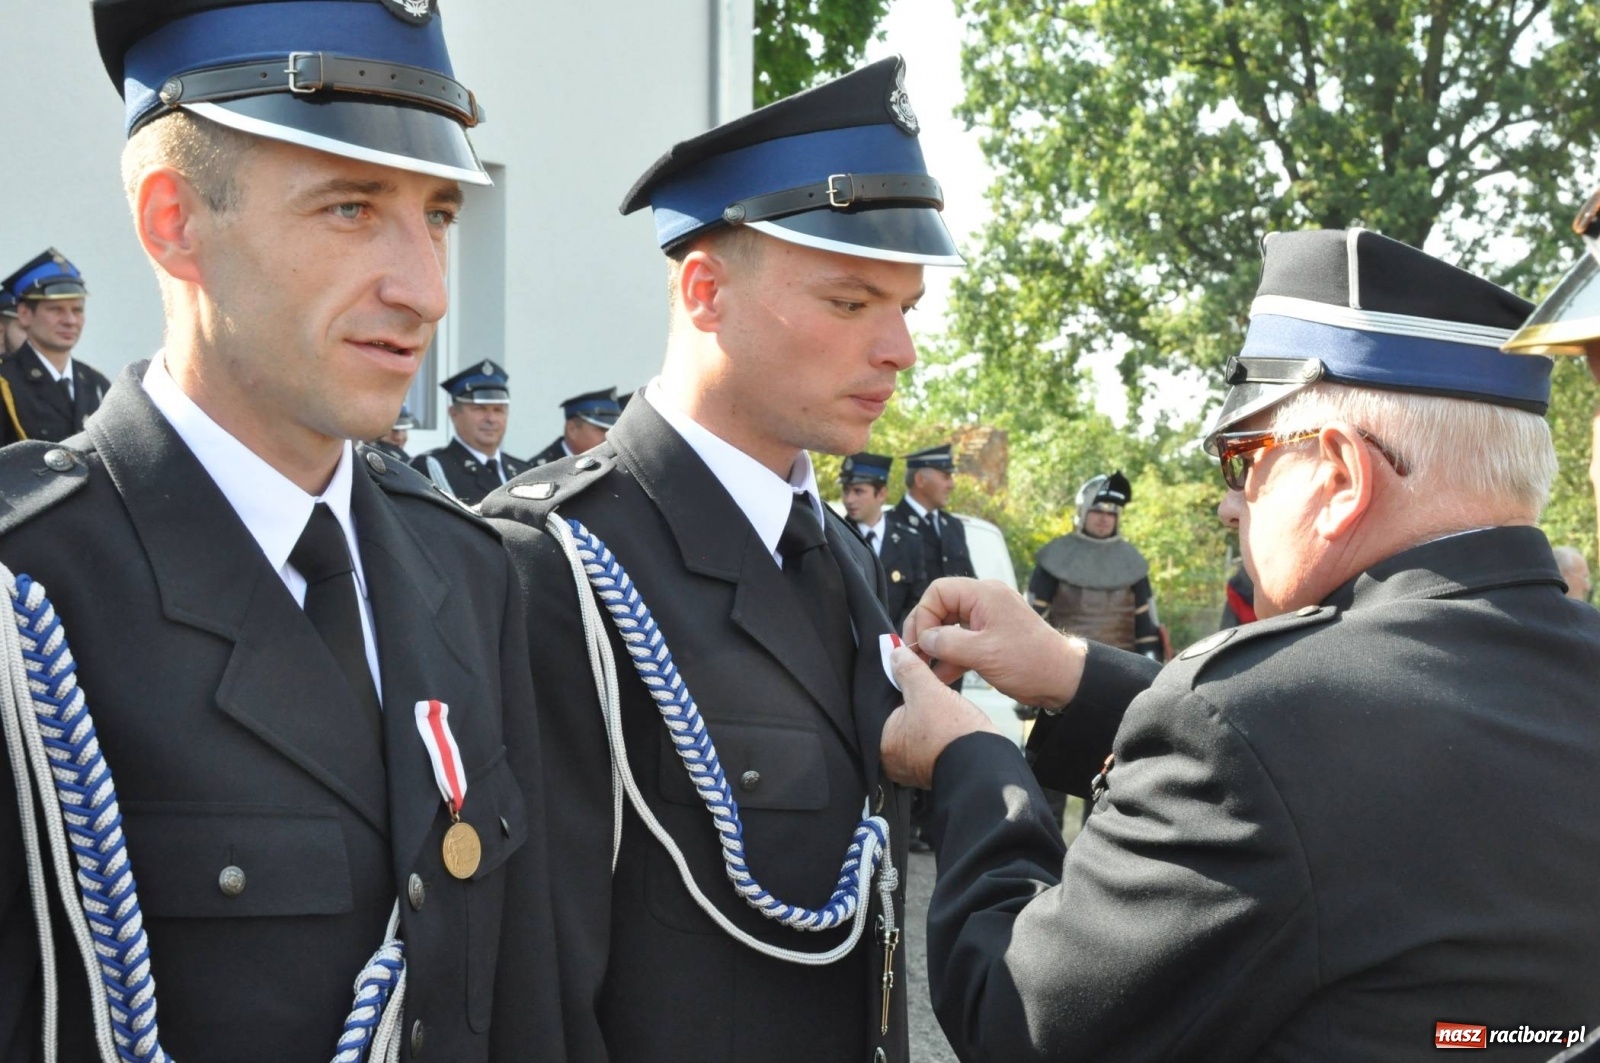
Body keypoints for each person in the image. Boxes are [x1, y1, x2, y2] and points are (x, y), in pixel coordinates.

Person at [879, 228, 1600, 1060]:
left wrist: (974, 759)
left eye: (1242, 459)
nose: (1231, 504)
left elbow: (1018, 1017)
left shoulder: (1254, 724)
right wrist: (1072, 673)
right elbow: (1351, 777)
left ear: (1340, 477)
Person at [0, 2, 563, 1059]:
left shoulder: (467, 568)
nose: (426, 289)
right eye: (351, 207)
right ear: (174, 221)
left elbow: (523, 998)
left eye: (438, 212)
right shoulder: (26, 591)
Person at [480, 55, 961, 1063]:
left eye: (904, 306)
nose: (897, 351)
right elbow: (532, 990)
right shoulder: (551, 557)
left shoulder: (834, 554)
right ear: (704, 291)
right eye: (849, 302)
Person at [1027, 470, 1162, 661]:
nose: (1104, 518)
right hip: (1064, 664)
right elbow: (1033, 620)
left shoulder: (1131, 562)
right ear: (1083, 511)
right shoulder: (1056, 557)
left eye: (1111, 512)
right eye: (1097, 510)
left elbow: (1146, 629)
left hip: (1123, 667)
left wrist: (1151, 667)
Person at [0, 249, 111, 445]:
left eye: (77, 310)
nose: (70, 321)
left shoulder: (96, 384)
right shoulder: (6, 381)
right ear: (25, 314)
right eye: (55, 309)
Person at [411, 360, 531, 505]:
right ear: (454, 413)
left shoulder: (524, 470)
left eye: (498, 410)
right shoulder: (431, 468)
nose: (491, 419)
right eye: (479, 409)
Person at [840, 450, 927, 625]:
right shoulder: (835, 536)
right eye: (846, 490)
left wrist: (895, 641)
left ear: (881, 494)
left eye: (858, 491)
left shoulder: (909, 542)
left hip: (895, 645)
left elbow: (917, 602)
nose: (849, 499)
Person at [893, 443, 975, 584]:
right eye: (946, 476)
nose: (952, 485)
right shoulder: (891, 524)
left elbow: (970, 582)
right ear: (920, 479)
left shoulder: (953, 526)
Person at [530, 387, 622, 466]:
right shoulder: (540, 470)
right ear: (572, 429)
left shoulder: (616, 464)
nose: (608, 436)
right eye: (602, 429)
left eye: (613, 430)